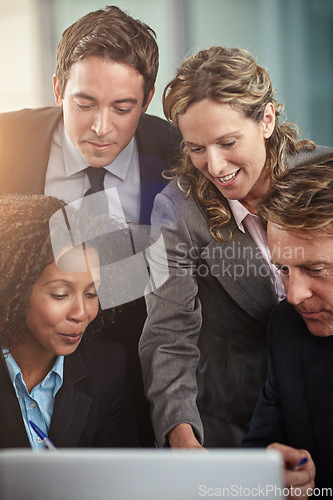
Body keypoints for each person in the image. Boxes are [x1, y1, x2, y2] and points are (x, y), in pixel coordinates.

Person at [0, 5, 181, 446]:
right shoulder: (7, 143)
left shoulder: (180, 154)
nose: (102, 128)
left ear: (149, 97)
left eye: (123, 108)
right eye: (84, 103)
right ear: (59, 87)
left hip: (144, 390)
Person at [138, 46, 332, 449]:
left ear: (266, 119)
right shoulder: (176, 213)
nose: (215, 166)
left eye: (228, 142)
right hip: (234, 418)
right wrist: (182, 436)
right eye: (196, 149)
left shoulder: (324, 177)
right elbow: (168, 333)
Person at [0, 193, 139, 449]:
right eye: (60, 294)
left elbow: (121, 479)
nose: (81, 312)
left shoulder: (107, 367)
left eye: (91, 293)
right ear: (14, 289)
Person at [242, 154, 333, 496]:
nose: (293, 296)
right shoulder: (287, 329)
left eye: (315, 269)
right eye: (284, 269)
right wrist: (267, 472)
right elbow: (259, 450)